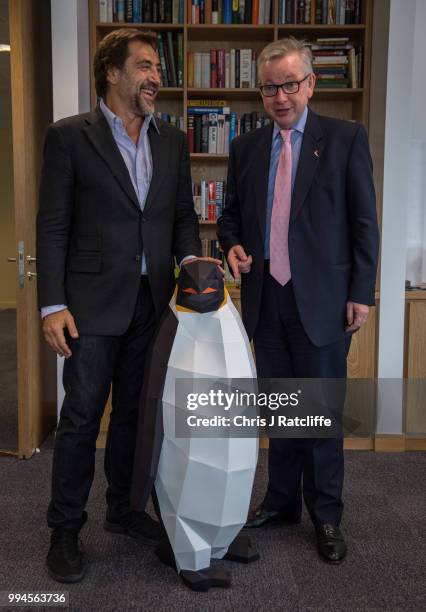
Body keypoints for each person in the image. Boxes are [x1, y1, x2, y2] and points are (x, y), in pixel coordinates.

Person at [37, 28, 208, 583]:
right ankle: (64, 529)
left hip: (153, 302)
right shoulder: (69, 137)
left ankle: (123, 508)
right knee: (82, 419)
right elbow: (54, 226)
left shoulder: (171, 140)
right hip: (88, 306)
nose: (155, 75)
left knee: (137, 414)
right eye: (144, 65)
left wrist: (190, 271)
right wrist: (51, 306)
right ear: (111, 73)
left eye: (157, 66)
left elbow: (182, 217)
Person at [217, 37, 379, 564]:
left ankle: (327, 515)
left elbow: (363, 224)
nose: (280, 96)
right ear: (259, 91)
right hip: (268, 302)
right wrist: (232, 244)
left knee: (322, 417)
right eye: (270, 87)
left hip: (325, 303)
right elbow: (231, 218)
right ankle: (282, 503)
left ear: (311, 83)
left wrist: (362, 292)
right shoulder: (245, 147)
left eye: (290, 84)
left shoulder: (345, 138)